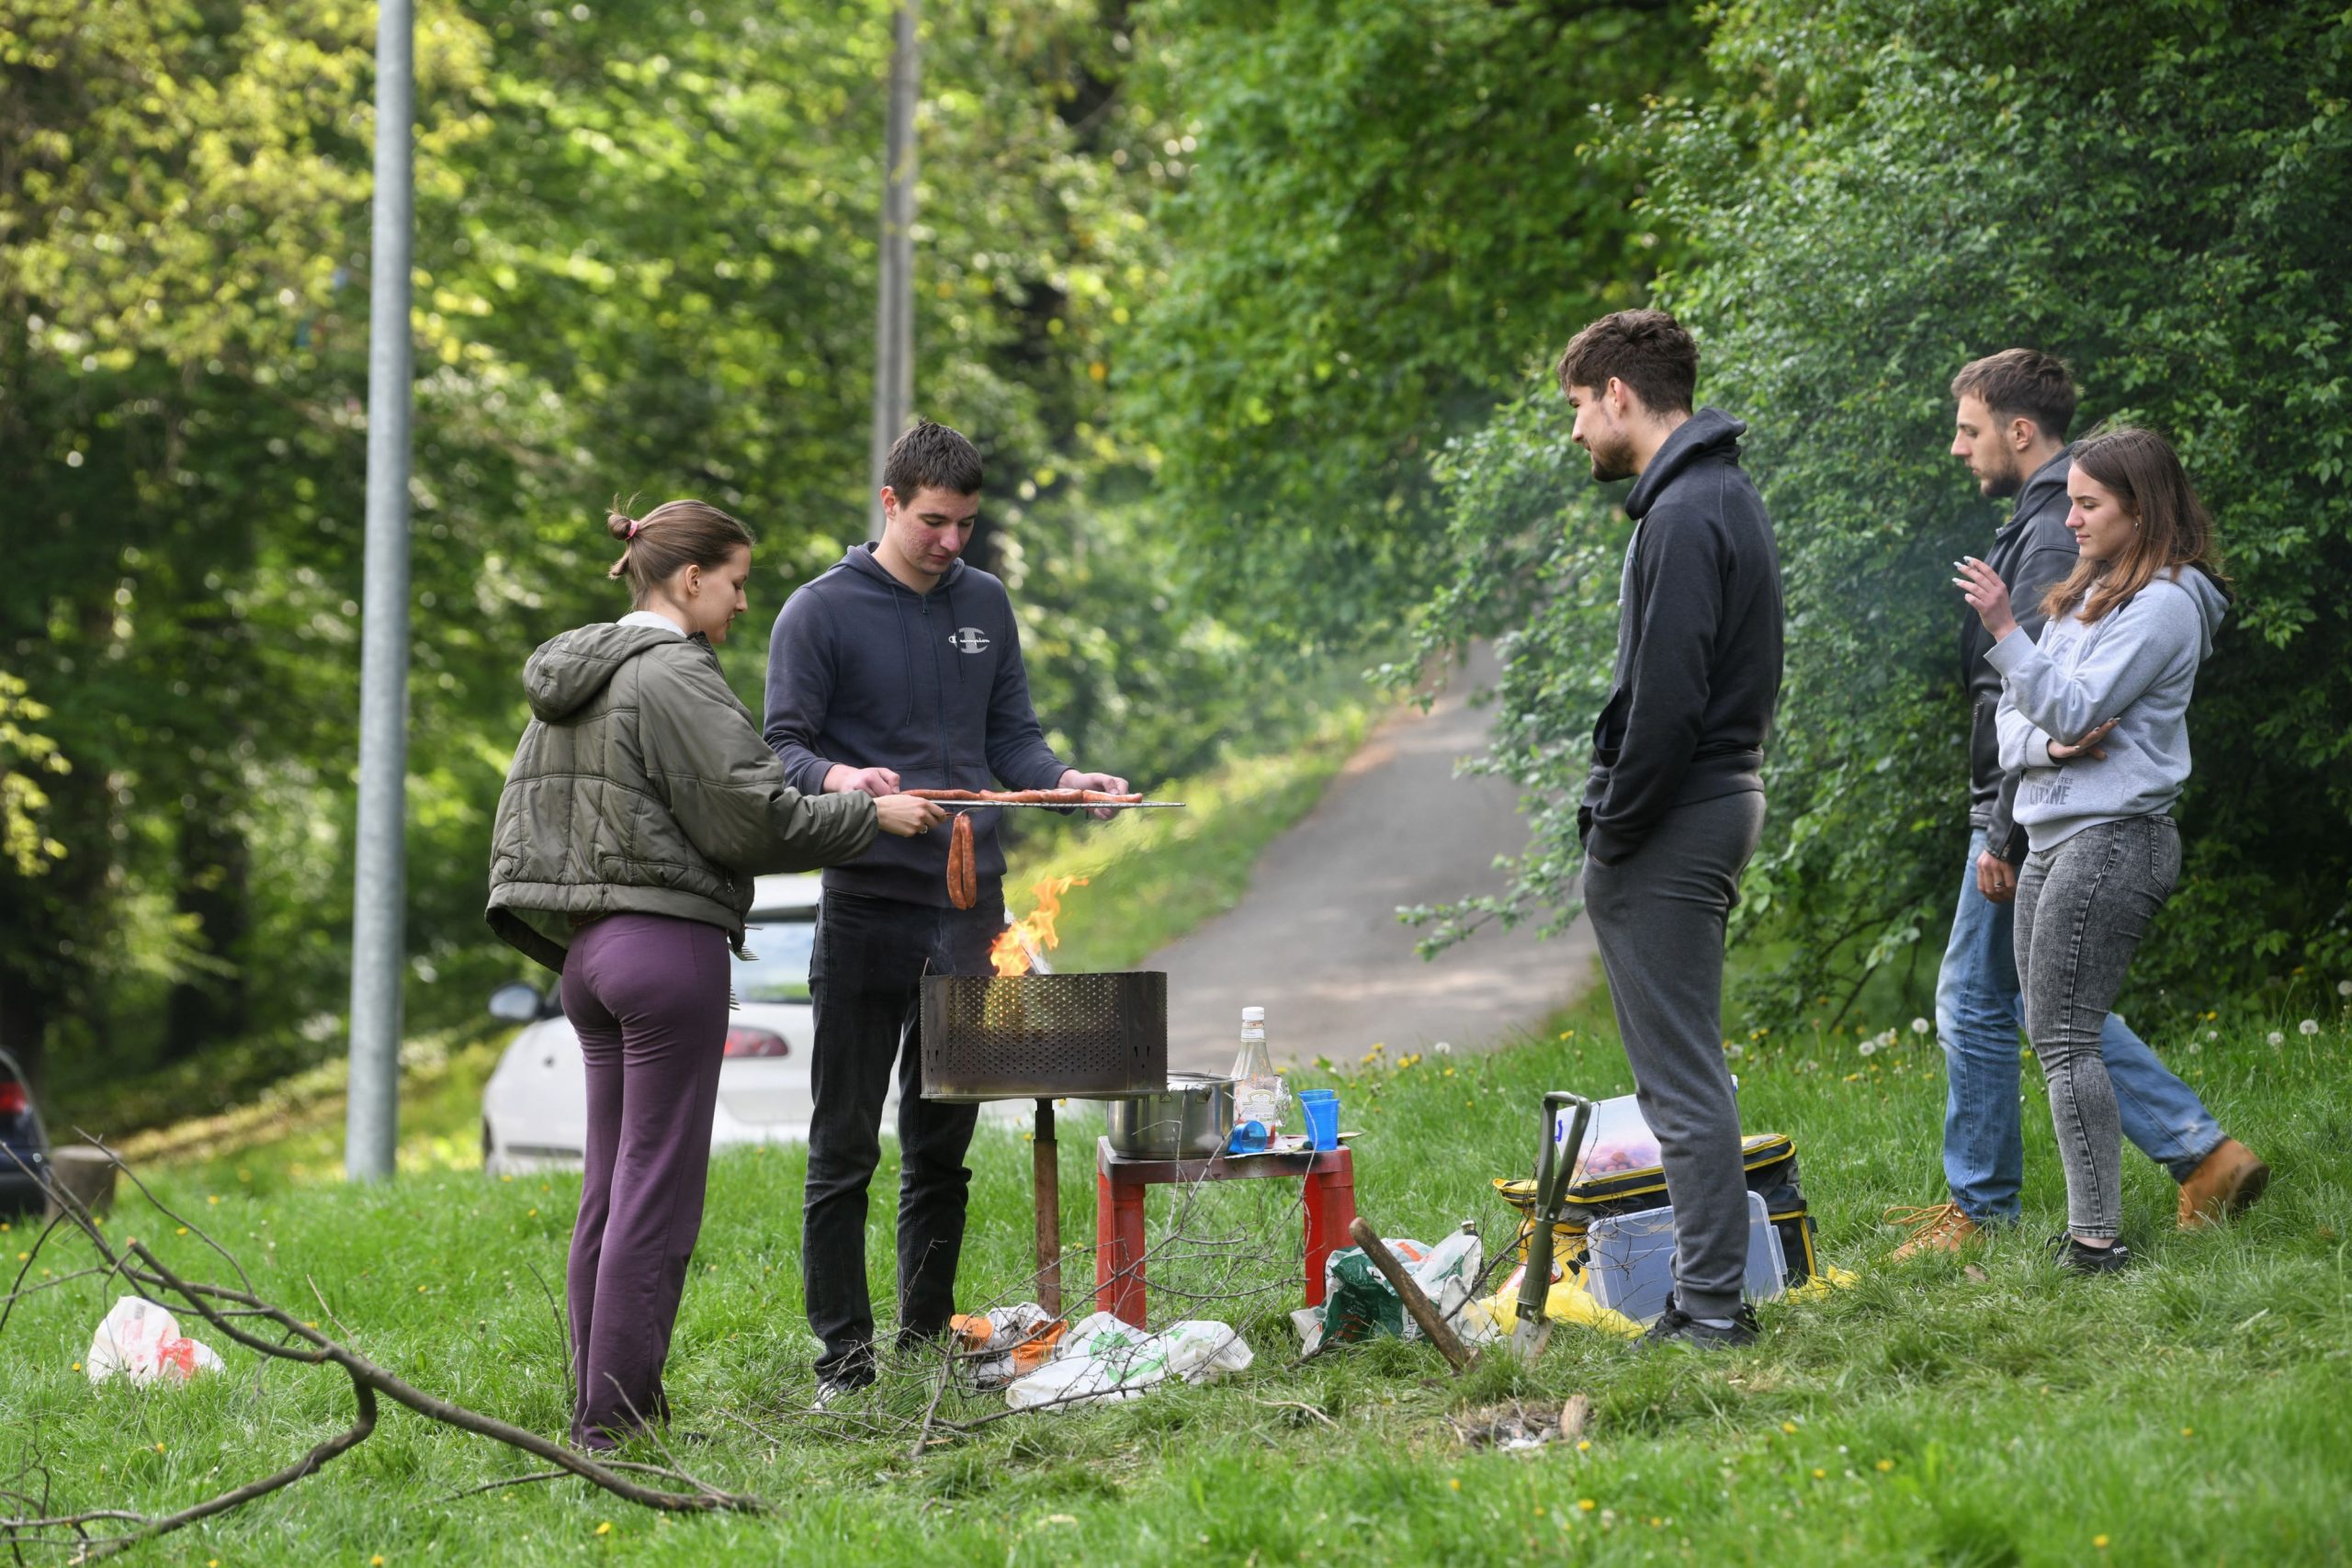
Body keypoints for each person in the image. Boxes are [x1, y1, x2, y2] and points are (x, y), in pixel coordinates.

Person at [487, 499, 945, 1448]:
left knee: (611, 1189)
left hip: (589, 958)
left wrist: (836, 785)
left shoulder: (583, 673)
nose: (742, 603)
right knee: (657, 1195)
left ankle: (605, 1402)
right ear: (689, 579)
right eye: (735, 582)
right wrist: (872, 819)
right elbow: (752, 821)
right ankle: (613, 1427)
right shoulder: (675, 673)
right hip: (662, 953)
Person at [763, 422, 1127, 1399]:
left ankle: (925, 1336)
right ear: (890, 503)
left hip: (973, 914)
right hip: (868, 904)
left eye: (965, 524)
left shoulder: (985, 604)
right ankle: (843, 1358)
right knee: (843, 1148)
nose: (951, 543)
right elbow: (782, 749)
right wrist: (851, 782)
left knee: (943, 1147)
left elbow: (1012, 737)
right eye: (933, 522)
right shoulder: (818, 612)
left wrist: (1064, 778)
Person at [1892, 353, 2264, 1258]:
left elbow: (2054, 703)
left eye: (1968, 428)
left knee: (2022, 1019)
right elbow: (2028, 723)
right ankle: (2186, 1162)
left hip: (2090, 830)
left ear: (2136, 509)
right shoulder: (2083, 574)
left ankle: (2036, 1223)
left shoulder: (2150, 596)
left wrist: (2000, 814)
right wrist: (2040, 743)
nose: (2073, 517)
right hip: (2044, 818)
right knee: (2046, 1022)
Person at [1558, 309, 1784, 1348]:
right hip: (1703, 801)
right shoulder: (1708, 494)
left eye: (1576, 409)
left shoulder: (1689, 510)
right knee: (1681, 1067)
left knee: (1679, 1074)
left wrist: (1610, 829)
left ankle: (1709, 1306)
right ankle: (1707, 1295)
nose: (1574, 436)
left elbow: (1666, 700)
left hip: (1680, 811)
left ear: (1618, 394)